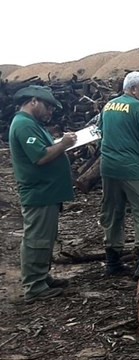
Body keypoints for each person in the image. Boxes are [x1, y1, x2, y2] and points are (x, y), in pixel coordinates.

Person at [8, 85, 77, 303]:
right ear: (34, 101)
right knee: (36, 239)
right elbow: (40, 157)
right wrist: (64, 144)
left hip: (47, 190)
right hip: (39, 191)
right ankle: (35, 286)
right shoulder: (24, 125)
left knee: (44, 238)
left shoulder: (31, 124)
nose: (50, 112)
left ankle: (41, 277)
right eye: (48, 107)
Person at [99, 71, 139, 279]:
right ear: (133, 89)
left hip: (108, 168)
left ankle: (113, 262)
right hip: (132, 168)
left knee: (112, 212)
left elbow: (100, 130)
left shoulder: (108, 106)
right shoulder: (138, 107)